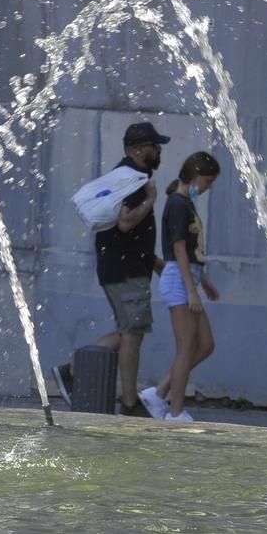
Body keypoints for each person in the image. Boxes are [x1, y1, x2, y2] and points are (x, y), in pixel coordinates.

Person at [51, 122, 169, 416]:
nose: (159, 151)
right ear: (139, 150)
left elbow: (129, 233)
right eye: (155, 146)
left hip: (125, 267)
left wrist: (153, 263)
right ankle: (129, 404)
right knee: (133, 334)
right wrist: (152, 199)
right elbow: (126, 223)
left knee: (129, 330)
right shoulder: (134, 181)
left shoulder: (127, 176)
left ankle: (72, 369)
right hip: (125, 271)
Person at [139, 151, 221, 422]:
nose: (208, 187)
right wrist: (191, 289)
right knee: (186, 347)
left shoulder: (186, 202)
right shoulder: (177, 204)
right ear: (196, 176)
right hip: (179, 280)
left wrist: (203, 282)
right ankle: (175, 411)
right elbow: (178, 249)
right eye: (208, 181)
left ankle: (159, 393)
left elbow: (191, 250)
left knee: (205, 344)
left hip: (189, 278)